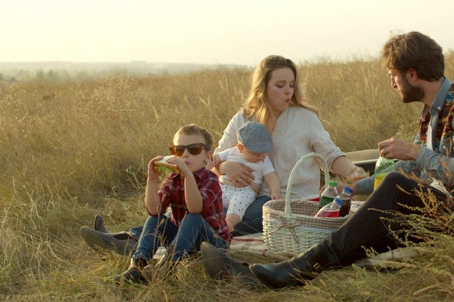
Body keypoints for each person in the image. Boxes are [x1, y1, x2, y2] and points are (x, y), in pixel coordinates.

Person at [200, 31, 454, 289]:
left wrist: (415, 151)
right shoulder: (432, 112)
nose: (393, 83)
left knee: (395, 185)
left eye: (393, 76)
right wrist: (357, 187)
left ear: (412, 75)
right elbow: (414, 169)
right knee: (369, 227)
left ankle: (294, 268)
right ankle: (274, 275)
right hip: (445, 215)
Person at [80, 55, 367, 254]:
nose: (288, 91)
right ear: (263, 87)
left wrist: (355, 174)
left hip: (284, 201)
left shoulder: (305, 118)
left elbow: (332, 156)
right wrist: (225, 166)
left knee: (220, 217)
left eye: (291, 85)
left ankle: (138, 240)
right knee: (191, 206)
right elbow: (212, 159)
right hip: (237, 192)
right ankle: (130, 237)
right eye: (280, 85)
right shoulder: (243, 118)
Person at [111, 124, 230, 284]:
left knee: (192, 218)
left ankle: (167, 267)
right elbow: (154, 210)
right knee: (156, 219)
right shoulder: (173, 180)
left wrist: (188, 176)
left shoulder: (210, 179)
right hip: (182, 240)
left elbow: (195, 209)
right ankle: (138, 265)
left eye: (193, 149)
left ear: (207, 157)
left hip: (211, 243)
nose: (185, 155)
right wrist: (152, 179)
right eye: (179, 150)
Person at [212, 121, 281, 233]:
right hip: (223, 187)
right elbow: (215, 159)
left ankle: (229, 223)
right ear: (240, 148)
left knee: (237, 206)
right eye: (256, 153)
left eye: (264, 152)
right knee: (209, 198)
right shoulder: (232, 152)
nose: (261, 156)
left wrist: (275, 191)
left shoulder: (264, 161)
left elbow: (271, 176)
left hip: (245, 191)